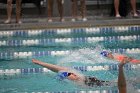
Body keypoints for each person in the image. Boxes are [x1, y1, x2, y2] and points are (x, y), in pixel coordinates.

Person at [32, 58, 128, 92]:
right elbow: (56, 69)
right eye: (69, 75)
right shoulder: (77, 80)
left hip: (95, 83)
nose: (72, 75)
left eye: (70, 74)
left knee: (114, 84)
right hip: (95, 83)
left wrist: (41, 63)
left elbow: (56, 69)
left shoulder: (78, 78)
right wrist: (41, 63)